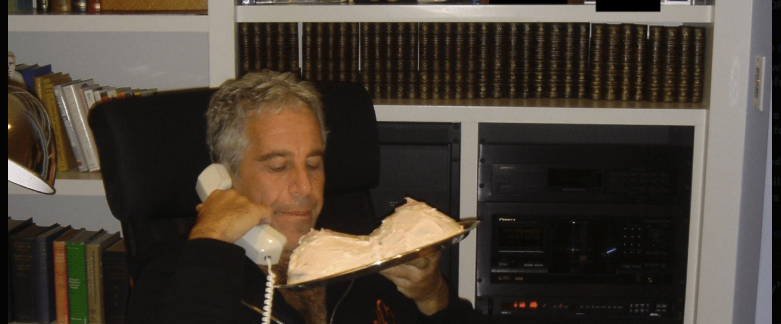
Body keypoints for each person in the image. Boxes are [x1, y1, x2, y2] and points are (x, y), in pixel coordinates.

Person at [126, 70, 486, 324]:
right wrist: (212, 240)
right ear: (226, 178)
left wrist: (432, 297)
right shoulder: (173, 277)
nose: (305, 188)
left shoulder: (360, 261)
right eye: (279, 167)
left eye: (313, 164)